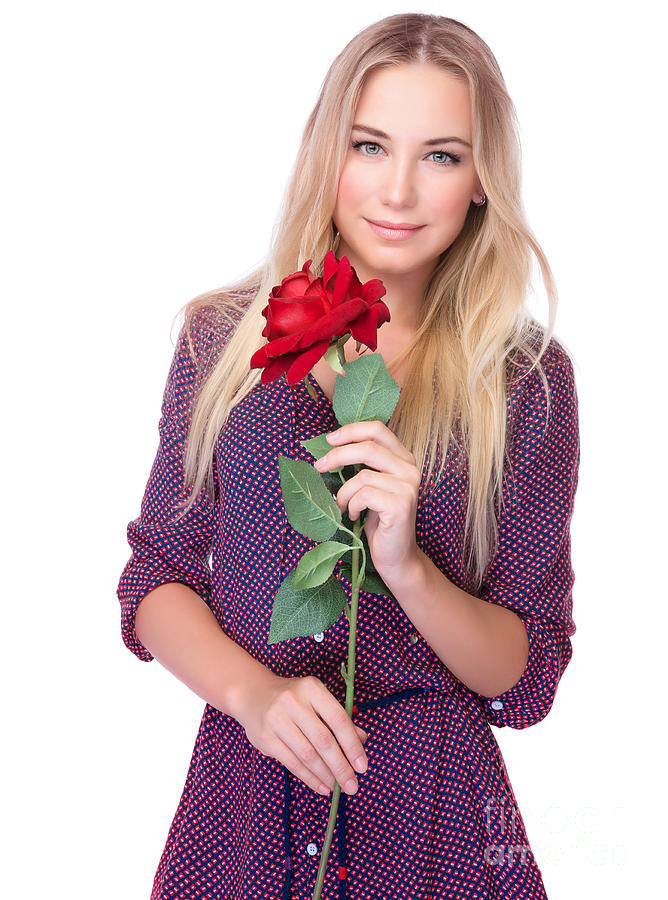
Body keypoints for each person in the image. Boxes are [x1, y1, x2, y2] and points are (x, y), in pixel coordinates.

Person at [117, 12, 580, 900]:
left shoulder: (524, 384)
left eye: (441, 155)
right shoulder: (220, 340)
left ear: (482, 180)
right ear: (326, 150)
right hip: (246, 805)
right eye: (370, 145)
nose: (398, 191)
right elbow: (156, 582)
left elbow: (525, 677)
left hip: (432, 823)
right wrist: (253, 697)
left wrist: (408, 566)